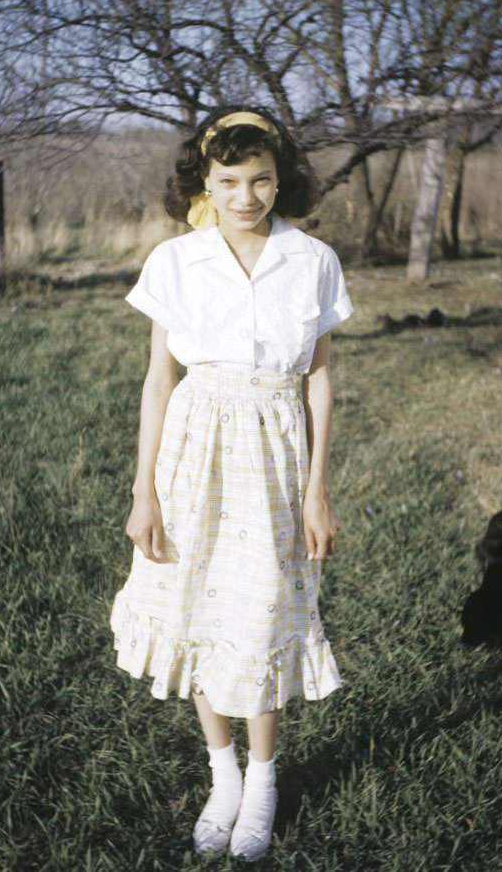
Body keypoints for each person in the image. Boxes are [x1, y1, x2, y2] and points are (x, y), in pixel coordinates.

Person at [109, 106, 354, 862]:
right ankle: (223, 776)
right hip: (194, 447)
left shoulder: (310, 259)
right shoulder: (176, 261)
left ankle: (265, 783)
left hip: (275, 452)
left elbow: (317, 380)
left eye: (261, 180)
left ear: (282, 178)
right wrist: (143, 490)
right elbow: (159, 379)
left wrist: (317, 489)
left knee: (261, 612)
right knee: (195, 609)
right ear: (204, 182)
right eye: (229, 182)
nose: (246, 197)